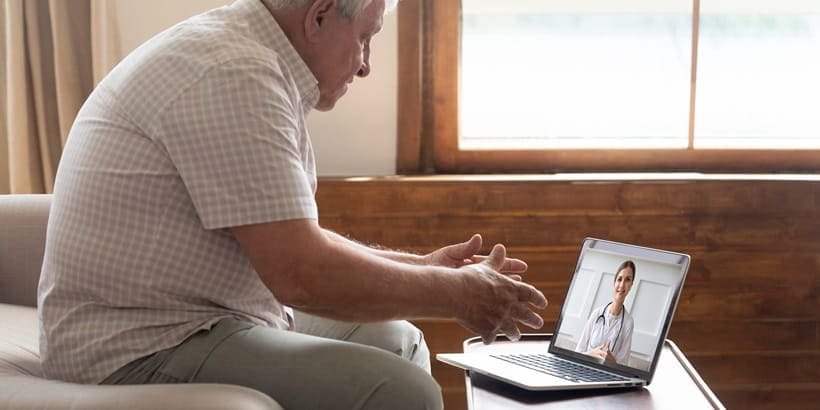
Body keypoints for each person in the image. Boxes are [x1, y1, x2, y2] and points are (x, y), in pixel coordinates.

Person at [36, 1, 548, 409]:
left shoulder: (246, 55)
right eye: (365, 37)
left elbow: (294, 237)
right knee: (401, 392)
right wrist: (455, 294)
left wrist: (423, 267)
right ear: (319, 15)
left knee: (398, 339)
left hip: (199, 315)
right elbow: (302, 274)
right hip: (137, 345)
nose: (367, 63)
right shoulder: (234, 74)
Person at [575, 261, 636, 366]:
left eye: (627, 280)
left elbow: (623, 365)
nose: (622, 285)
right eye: (619, 279)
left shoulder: (628, 322)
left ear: (631, 285)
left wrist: (611, 361)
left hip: (607, 374)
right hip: (585, 368)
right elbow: (578, 352)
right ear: (614, 282)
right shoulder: (597, 313)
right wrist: (591, 354)